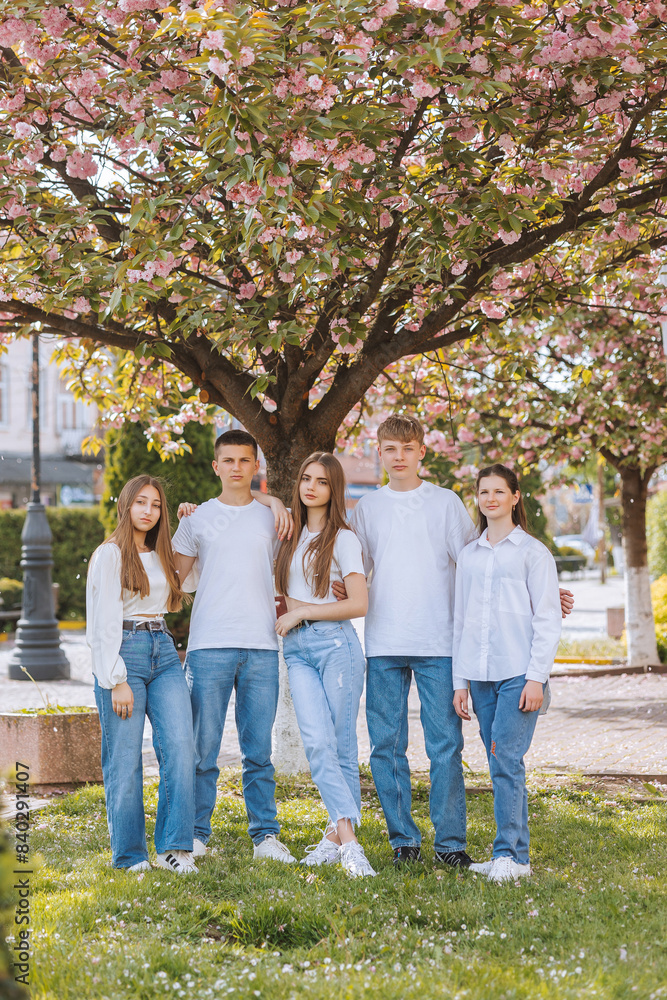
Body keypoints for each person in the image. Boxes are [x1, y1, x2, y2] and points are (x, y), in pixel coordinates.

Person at [347, 414, 573, 870]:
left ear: (422, 451)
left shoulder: (446, 502)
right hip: (384, 640)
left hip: (439, 643)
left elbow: (483, 564)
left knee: (445, 746)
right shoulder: (366, 509)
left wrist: (545, 597)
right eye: (390, 449)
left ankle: (450, 843)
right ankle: (403, 839)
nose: (399, 457)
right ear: (379, 451)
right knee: (385, 746)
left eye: (407, 448)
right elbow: (355, 569)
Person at [171, 429, 296, 863]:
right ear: (216, 466)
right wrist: (182, 516)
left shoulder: (273, 518)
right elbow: (172, 583)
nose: (237, 468)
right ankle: (195, 833)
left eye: (245, 460)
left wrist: (275, 500)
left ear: (255, 465)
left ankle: (265, 837)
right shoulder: (197, 519)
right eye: (229, 460)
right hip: (209, 646)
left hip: (262, 644)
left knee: (257, 751)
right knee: (202, 749)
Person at [453, 464, 562, 883]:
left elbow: (548, 620)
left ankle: (511, 857)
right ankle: (514, 857)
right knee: (499, 760)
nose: (491, 498)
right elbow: (460, 621)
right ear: (477, 498)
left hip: (519, 673)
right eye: (484, 492)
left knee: (506, 760)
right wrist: (460, 682)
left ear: (516, 497)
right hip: (479, 676)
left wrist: (536, 677)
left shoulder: (533, 553)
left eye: (500, 491)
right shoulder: (469, 554)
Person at [87, 475, 197, 874]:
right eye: (141, 503)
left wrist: (191, 525)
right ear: (126, 506)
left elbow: (192, 579)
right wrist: (115, 678)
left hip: (164, 650)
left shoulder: (162, 553)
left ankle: (174, 849)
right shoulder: (110, 554)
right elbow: (101, 624)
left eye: (156, 505)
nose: (148, 511)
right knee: (124, 758)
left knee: (182, 745)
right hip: (125, 651)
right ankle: (131, 856)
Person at [274, 452, 375, 878]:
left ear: (334, 490)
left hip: (337, 648)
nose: (311, 487)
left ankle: (341, 839)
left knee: (341, 744)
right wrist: (273, 503)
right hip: (297, 651)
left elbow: (358, 603)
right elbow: (255, 504)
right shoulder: (289, 535)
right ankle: (343, 839)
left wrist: (302, 613)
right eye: (305, 479)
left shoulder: (343, 538)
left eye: (322, 481)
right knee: (316, 742)